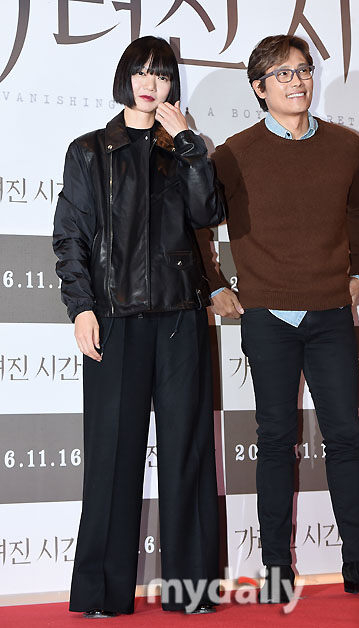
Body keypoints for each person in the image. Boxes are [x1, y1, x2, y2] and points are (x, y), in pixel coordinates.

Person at [196, 34, 359, 602]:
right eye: (282, 73)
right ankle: (275, 569)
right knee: (274, 440)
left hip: (331, 314)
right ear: (259, 88)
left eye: (303, 70)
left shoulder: (345, 146)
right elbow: (196, 219)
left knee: (344, 438)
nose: (297, 81)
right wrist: (214, 283)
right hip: (268, 317)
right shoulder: (235, 153)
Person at [53, 35, 225, 617]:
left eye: (163, 73)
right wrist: (80, 307)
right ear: (124, 79)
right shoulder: (89, 151)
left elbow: (208, 213)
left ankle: (192, 590)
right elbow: (70, 236)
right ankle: (103, 593)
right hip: (114, 321)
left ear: (173, 85)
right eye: (142, 71)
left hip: (180, 319)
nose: (151, 83)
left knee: (188, 453)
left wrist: (190, 147)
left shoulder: (184, 150)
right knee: (111, 456)